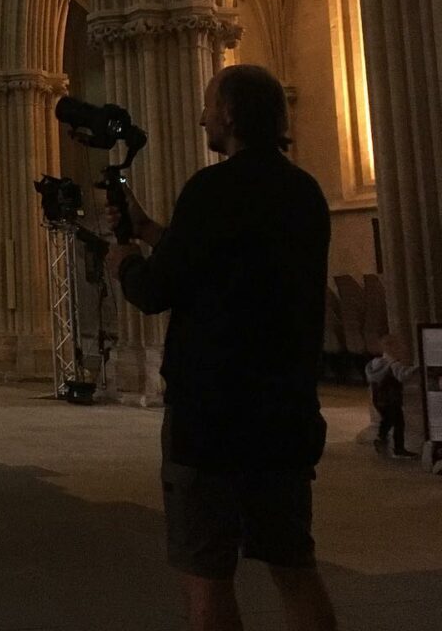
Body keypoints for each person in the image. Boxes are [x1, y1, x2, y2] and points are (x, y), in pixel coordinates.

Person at [107, 64, 337, 631]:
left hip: (211, 422)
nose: (201, 115)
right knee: (294, 567)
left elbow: (160, 290)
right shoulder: (304, 193)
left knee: (207, 579)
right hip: (284, 417)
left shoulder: (212, 189)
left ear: (231, 115)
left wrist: (126, 262)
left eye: (209, 104)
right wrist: (152, 229)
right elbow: (231, 261)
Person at [365, 334, 417, 458]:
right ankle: (399, 449)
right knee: (399, 423)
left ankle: (381, 438)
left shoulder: (373, 364)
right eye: (399, 346)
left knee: (387, 420)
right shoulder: (393, 364)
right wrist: (417, 369)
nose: (402, 349)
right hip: (392, 399)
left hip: (379, 399)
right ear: (393, 348)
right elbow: (402, 376)